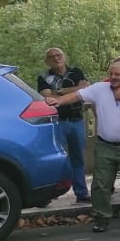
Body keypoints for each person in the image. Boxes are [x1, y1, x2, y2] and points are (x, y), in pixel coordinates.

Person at [57, 57, 120, 231]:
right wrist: (58, 101)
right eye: (110, 73)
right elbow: (77, 95)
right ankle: (102, 217)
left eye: (117, 74)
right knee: (100, 184)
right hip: (105, 145)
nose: (112, 77)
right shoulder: (100, 88)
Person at [37, 48, 90, 201]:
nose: (56, 58)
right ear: (47, 61)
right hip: (56, 123)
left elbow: (86, 89)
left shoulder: (76, 72)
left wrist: (59, 91)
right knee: (54, 159)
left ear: (64, 57)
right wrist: (75, 91)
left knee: (78, 158)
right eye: (52, 57)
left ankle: (81, 193)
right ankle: (47, 196)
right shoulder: (43, 77)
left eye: (59, 55)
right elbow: (46, 96)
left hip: (76, 121)